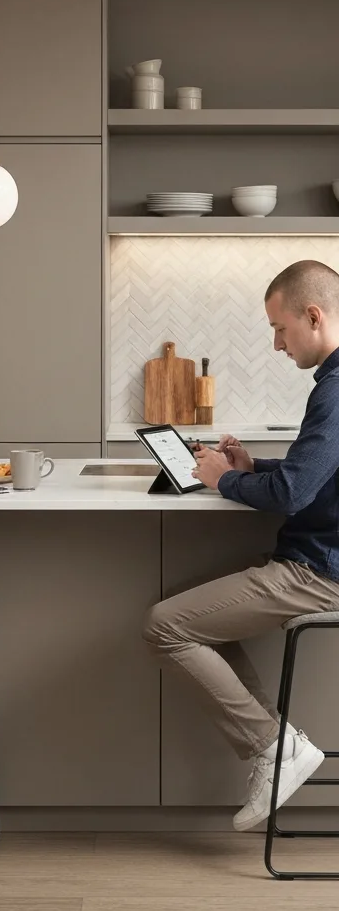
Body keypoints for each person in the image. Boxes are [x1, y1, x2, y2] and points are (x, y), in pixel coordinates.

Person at [143, 259, 339, 832]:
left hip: (319, 571)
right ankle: (276, 747)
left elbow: (293, 493)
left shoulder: (335, 390)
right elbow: (313, 473)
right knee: (194, 621)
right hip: (320, 560)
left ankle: (271, 750)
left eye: (280, 329)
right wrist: (253, 466)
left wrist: (222, 479)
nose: (277, 345)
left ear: (313, 315)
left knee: (165, 624)